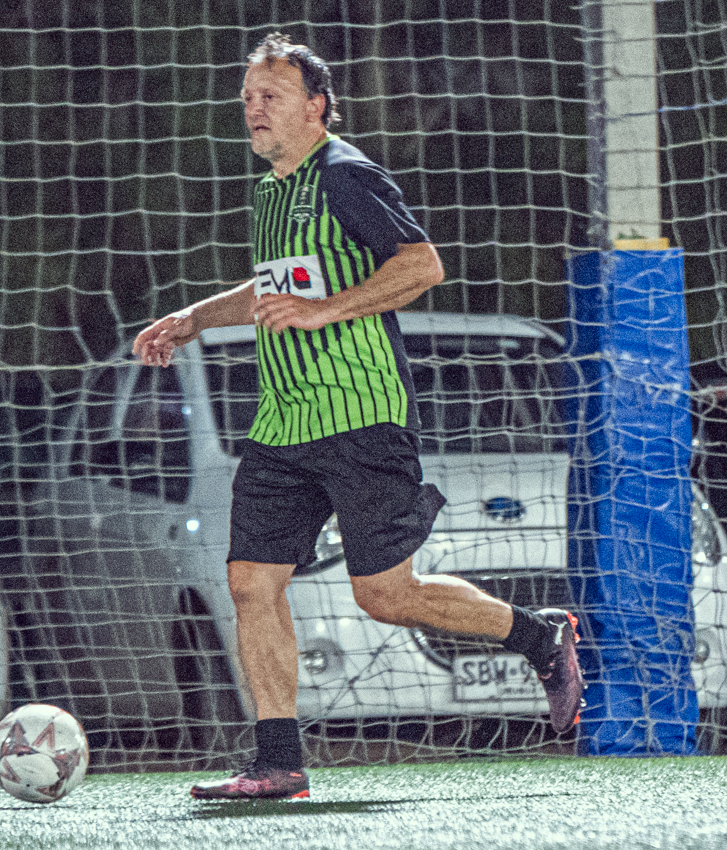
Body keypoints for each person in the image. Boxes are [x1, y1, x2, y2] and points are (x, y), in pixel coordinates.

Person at [132, 33, 584, 801]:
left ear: (317, 106)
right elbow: (271, 286)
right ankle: (278, 762)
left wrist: (325, 310)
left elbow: (421, 264)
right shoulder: (272, 191)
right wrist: (192, 319)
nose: (255, 109)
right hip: (282, 427)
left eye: (271, 96)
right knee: (251, 583)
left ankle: (540, 636)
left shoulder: (345, 174)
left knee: (385, 596)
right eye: (248, 98)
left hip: (361, 418)